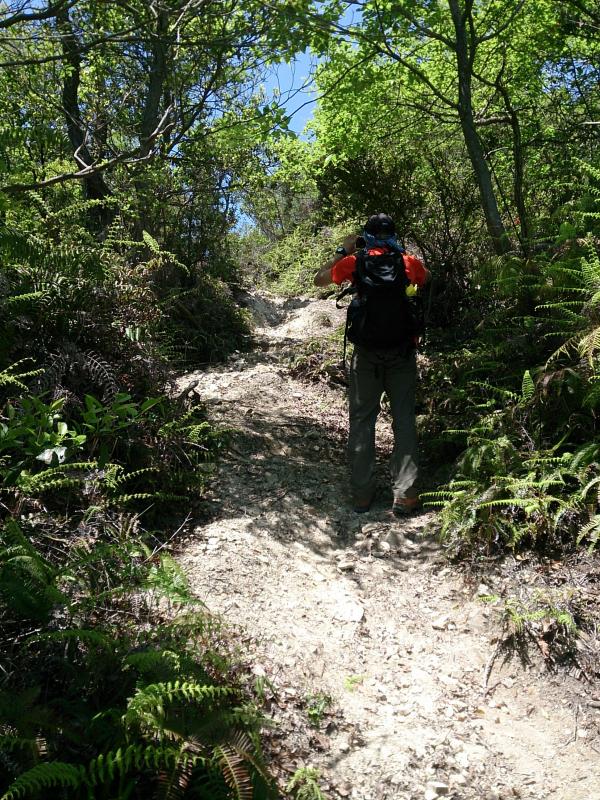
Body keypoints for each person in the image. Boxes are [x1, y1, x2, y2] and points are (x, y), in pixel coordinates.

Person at [314, 213, 431, 515]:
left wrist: (344, 250)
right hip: (402, 353)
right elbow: (426, 278)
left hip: (366, 355)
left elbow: (319, 280)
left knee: (362, 420)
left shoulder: (355, 262)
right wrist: (402, 258)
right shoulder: (407, 262)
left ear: (365, 236)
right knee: (403, 420)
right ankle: (405, 494)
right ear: (393, 235)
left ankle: (362, 495)